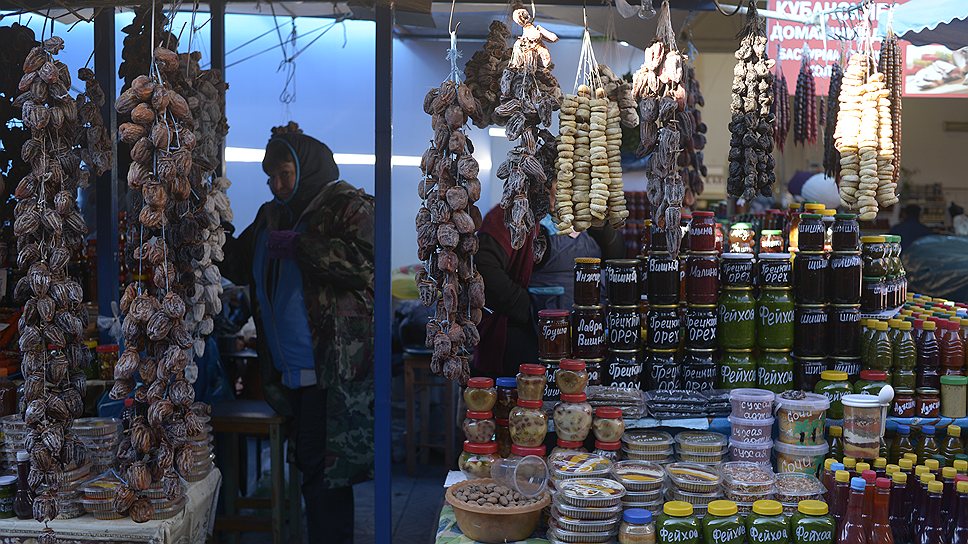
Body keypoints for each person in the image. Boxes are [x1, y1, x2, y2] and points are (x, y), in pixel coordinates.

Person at [222, 122, 374, 543]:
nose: (276, 184)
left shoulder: (346, 205)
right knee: (315, 467)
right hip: (289, 370)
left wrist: (302, 246)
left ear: (306, 168)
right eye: (270, 176)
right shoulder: (272, 215)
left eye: (284, 174)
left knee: (324, 470)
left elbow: (363, 264)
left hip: (330, 369)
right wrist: (211, 231)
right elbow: (237, 264)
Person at [474, 205, 624, 377]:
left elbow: (616, 257)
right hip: (528, 338)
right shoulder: (511, 215)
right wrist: (525, 307)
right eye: (554, 181)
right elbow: (485, 270)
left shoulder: (583, 213)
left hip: (584, 338)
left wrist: (603, 225)